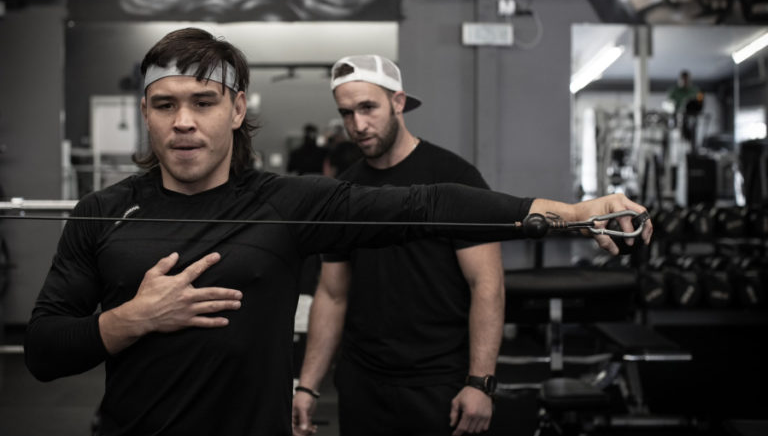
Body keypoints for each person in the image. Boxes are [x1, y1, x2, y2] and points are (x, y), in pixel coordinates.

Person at [24, 28, 652, 436]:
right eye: (166, 105)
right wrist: (130, 319)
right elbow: (45, 351)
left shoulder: (288, 203)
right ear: (146, 114)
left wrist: (572, 212)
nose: (184, 122)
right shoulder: (104, 211)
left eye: (204, 102)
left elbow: (430, 206)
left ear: (238, 111)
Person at [290, 55, 644, 436]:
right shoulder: (346, 190)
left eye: (367, 108)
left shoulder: (453, 176)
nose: (357, 125)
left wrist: (480, 383)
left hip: (440, 380)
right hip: (363, 381)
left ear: (398, 102)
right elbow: (331, 293)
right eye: (346, 113)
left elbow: (487, 284)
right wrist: (308, 385)